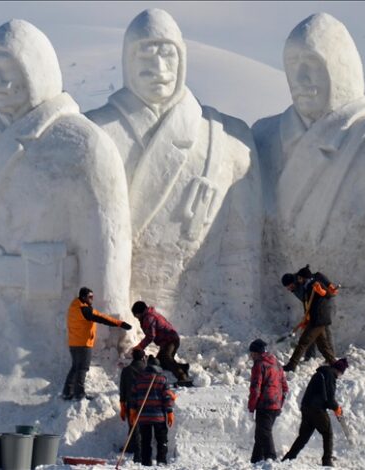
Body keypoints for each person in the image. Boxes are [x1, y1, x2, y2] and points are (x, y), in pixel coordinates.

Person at [0, 19, 132, 432]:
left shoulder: (83, 147)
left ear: (35, 69)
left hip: (41, 336)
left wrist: (107, 335)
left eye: (5, 66)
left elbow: (106, 250)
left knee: (17, 430)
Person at [252, 13, 365, 348]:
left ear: (341, 68)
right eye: (293, 65)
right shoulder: (264, 138)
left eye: (314, 64)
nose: (300, 78)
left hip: (362, 326)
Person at [86, 8, 262, 334]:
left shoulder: (225, 137)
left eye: (168, 54)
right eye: (145, 55)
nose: (158, 68)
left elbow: (242, 249)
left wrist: (241, 319)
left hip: (206, 318)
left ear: (183, 59)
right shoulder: (94, 132)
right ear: (127, 61)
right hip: (123, 318)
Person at [63, 287, 133, 400]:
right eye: (90, 297)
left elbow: (96, 314)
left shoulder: (75, 306)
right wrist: (120, 323)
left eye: (93, 297)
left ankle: (67, 391)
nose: (92, 299)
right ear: (83, 297)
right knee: (82, 368)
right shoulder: (84, 309)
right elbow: (101, 318)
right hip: (83, 344)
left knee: (75, 367)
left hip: (74, 343)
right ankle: (79, 394)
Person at [283, 357, 349, 467]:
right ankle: (327, 461)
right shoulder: (330, 375)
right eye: (341, 373)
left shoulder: (321, 373)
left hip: (306, 407)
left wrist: (333, 406)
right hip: (317, 409)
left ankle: (288, 458)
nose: (340, 376)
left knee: (303, 436)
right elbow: (330, 398)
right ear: (339, 370)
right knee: (327, 433)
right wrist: (337, 408)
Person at [280, 265, 338, 371]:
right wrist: (306, 317)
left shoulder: (313, 283)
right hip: (314, 314)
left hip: (321, 316)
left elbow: (326, 292)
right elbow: (307, 302)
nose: (289, 289)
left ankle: (292, 365)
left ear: (298, 279)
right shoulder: (305, 286)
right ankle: (333, 363)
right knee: (322, 343)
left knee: (305, 340)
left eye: (289, 286)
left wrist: (328, 287)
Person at [131, 301, 191, 385]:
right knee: (160, 363)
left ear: (139, 313)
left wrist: (140, 347)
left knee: (167, 357)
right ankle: (183, 367)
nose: (136, 318)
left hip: (170, 340)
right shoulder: (149, 315)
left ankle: (182, 377)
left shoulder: (148, 318)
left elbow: (150, 336)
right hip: (167, 341)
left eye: (136, 315)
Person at [247, 339, 288, 463]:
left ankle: (271, 459)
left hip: (264, 405)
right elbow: (285, 387)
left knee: (264, 433)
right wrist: (280, 403)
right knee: (260, 434)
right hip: (275, 405)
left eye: (252, 353)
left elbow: (255, 388)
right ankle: (255, 461)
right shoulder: (276, 363)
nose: (251, 356)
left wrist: (251, 408)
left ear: (257, 353)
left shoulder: (259, 365)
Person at [130, 356, 176, 466]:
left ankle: (146, 462)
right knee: (161, 440)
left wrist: (133, 410)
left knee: (145, 441)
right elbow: (167, 397)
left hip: (143, 417)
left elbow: (133, 397)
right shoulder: (162, 380)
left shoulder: (139, 380)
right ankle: (161, 461)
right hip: (159, 417)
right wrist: (169, 412)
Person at [119, 348, 147, 462]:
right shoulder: (147, 370)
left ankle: (135, 449)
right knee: (144, 426)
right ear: (143, 357)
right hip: (145, 401)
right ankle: (134, 447)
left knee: (133, 425)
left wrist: (122, 404)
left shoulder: (126, 370)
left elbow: (123, 389)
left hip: (131, 402)